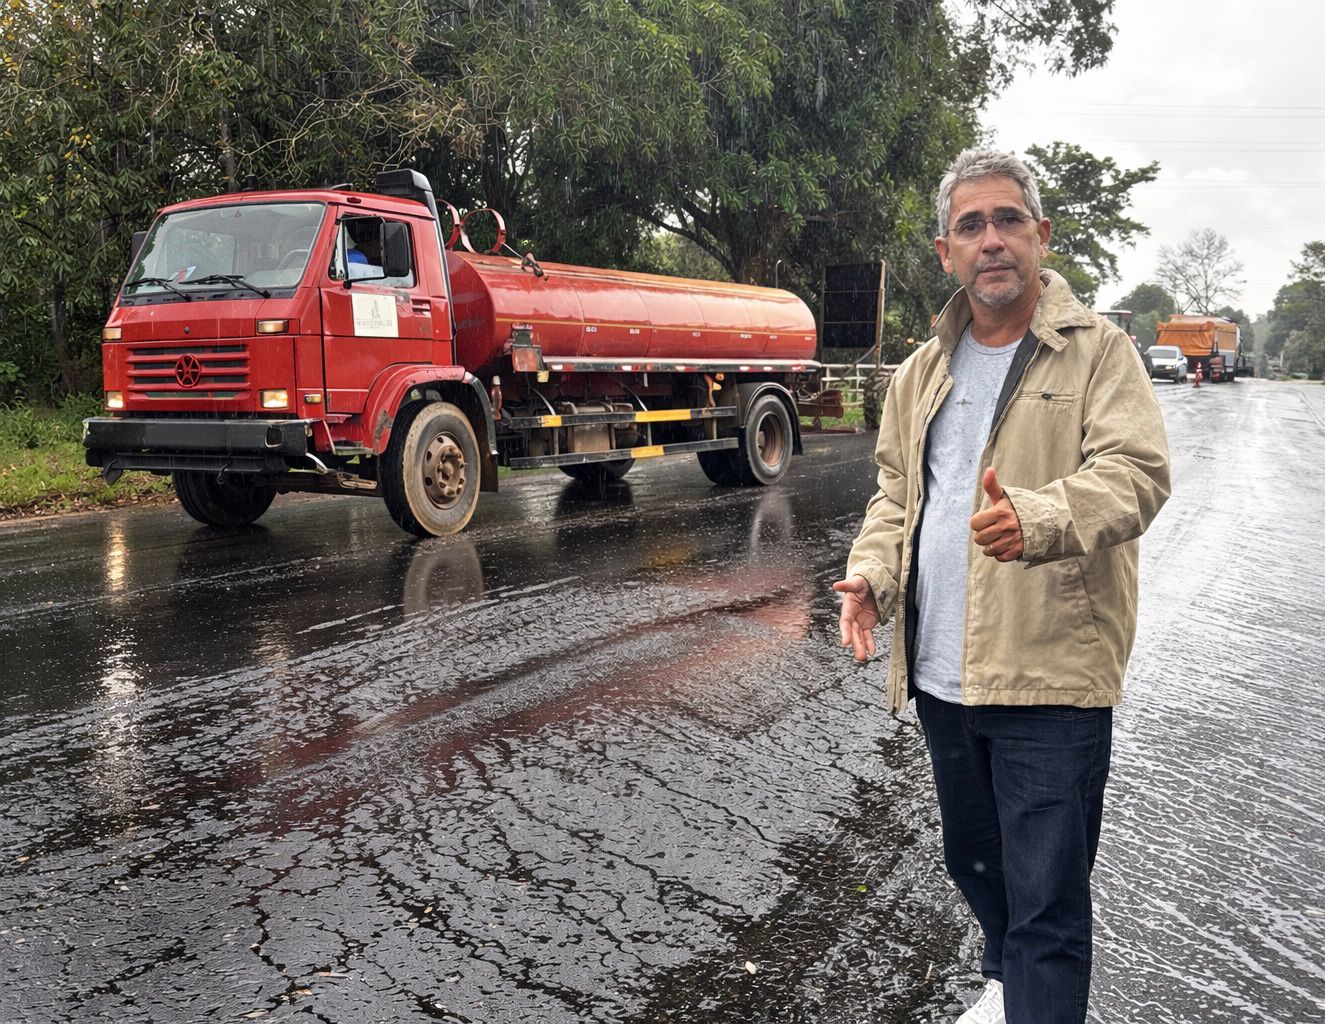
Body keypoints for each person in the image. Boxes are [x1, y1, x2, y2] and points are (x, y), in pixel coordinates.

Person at [833, 149, 1170, 1024]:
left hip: (1049, 679)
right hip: (941, 677)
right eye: (971, 225)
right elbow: (897, 494)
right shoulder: (919, 371)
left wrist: (1041, 516)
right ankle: (1009, 979)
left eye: (1008, 221)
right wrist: (871, 573)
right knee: (973, 863)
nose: (991, 241)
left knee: (1049, 905)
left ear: (1041, 237)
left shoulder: (1098, 353)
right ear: (944, 250)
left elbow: (1134, 474)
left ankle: (1031, 986)